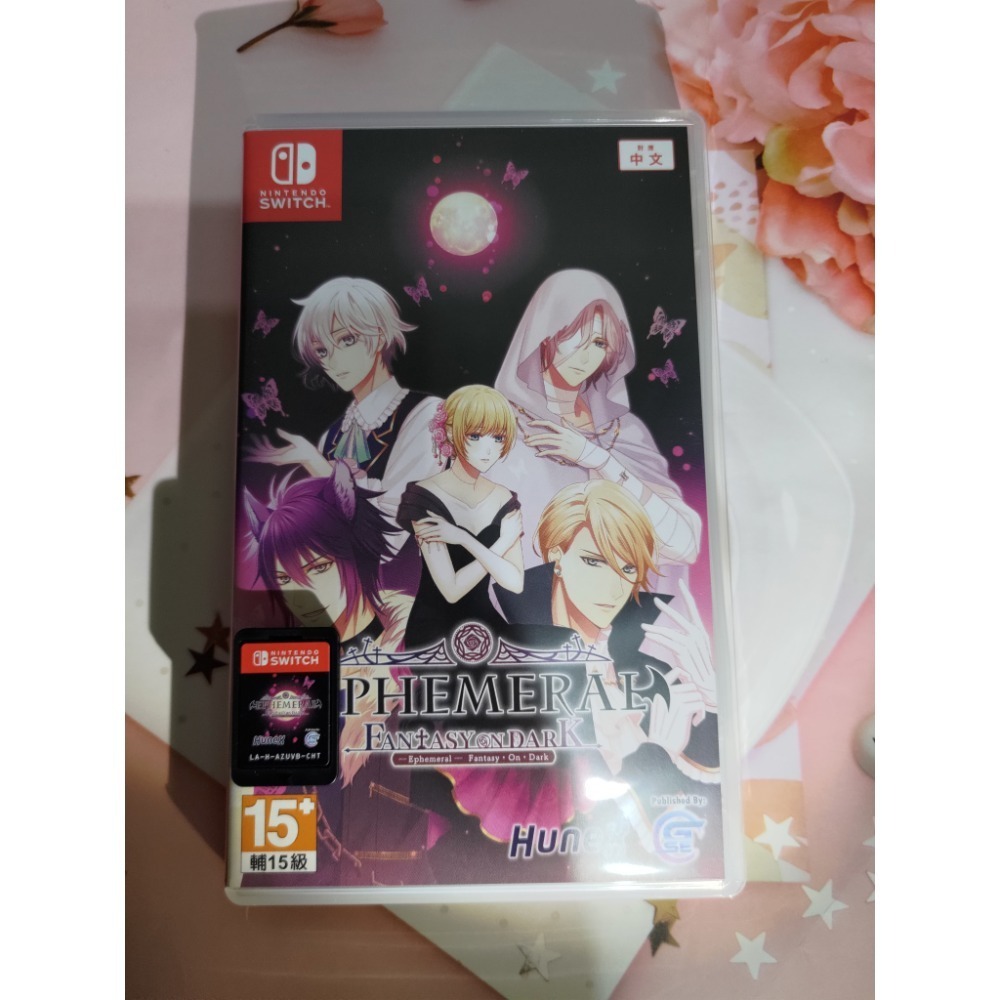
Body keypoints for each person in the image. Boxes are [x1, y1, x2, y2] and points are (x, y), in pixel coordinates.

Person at [492, 269, 701, 586]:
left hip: (614, 600)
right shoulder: (498, 421)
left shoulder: (625, 432)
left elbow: (684, 544)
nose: (585, 355)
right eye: (571, 334)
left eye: (599, 342)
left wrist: (598, 459)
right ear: (543, 333)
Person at [245, 275, 442, 537]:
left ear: (380, 335)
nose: (332, 361)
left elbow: (393, 528)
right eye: (322, 351)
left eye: (347, 340)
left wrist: (316, 464)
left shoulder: (426, 414)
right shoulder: (331, 437)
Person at [396, 385, 524, 649]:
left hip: (484, 625)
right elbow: (451, 590)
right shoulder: (423, 497)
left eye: (498, 438)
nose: (488, 450)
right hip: (435, 632)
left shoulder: (504, 498)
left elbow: (515, 582)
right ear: (450, 432)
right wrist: (500, 543)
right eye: (475, 436)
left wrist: (465, 539)